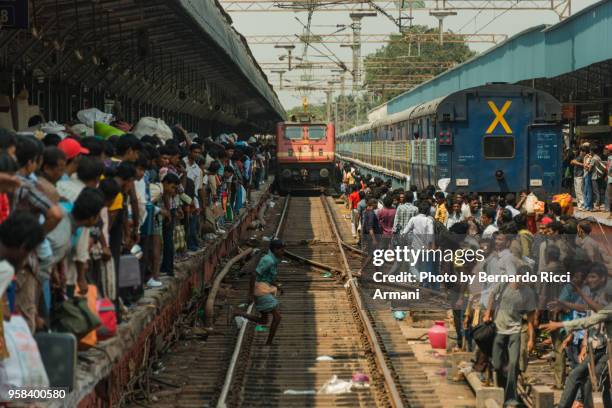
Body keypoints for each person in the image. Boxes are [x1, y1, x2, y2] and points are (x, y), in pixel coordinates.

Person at [541, 263, 612, 408]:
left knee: (596, 381)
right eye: (588, 277)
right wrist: (564, 302)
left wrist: (560, 325)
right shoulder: (596, 295)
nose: (589, 280)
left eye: (593, 277)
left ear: (603, 279)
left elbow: (592, 318)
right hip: (597, 347)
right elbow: (587, 310)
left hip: (607, 350)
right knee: (577, 376)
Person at [484, 266, 537, 407]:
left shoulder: (529, 293)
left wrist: (531, 339)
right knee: (497, 364)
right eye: (522, 279)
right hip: (500, 328)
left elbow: (531, 318)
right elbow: (491, 294)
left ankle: (510, 398)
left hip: (515, 330)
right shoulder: (505, 282)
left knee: (513, 363)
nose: (523, 282)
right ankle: (501, 387)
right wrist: (488, 313)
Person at [234, 239, 285, 345]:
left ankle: (238, 313)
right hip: (260, 290)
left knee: (263, 320)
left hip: (263, 288)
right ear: (275, 250)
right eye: (281, 250)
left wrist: (277, 286)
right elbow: (254, 274)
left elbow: (268, 277)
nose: (283, 252)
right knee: (277, 317)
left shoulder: (273, 259)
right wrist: (250, 293)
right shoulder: (269, 260)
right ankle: (269, 343)